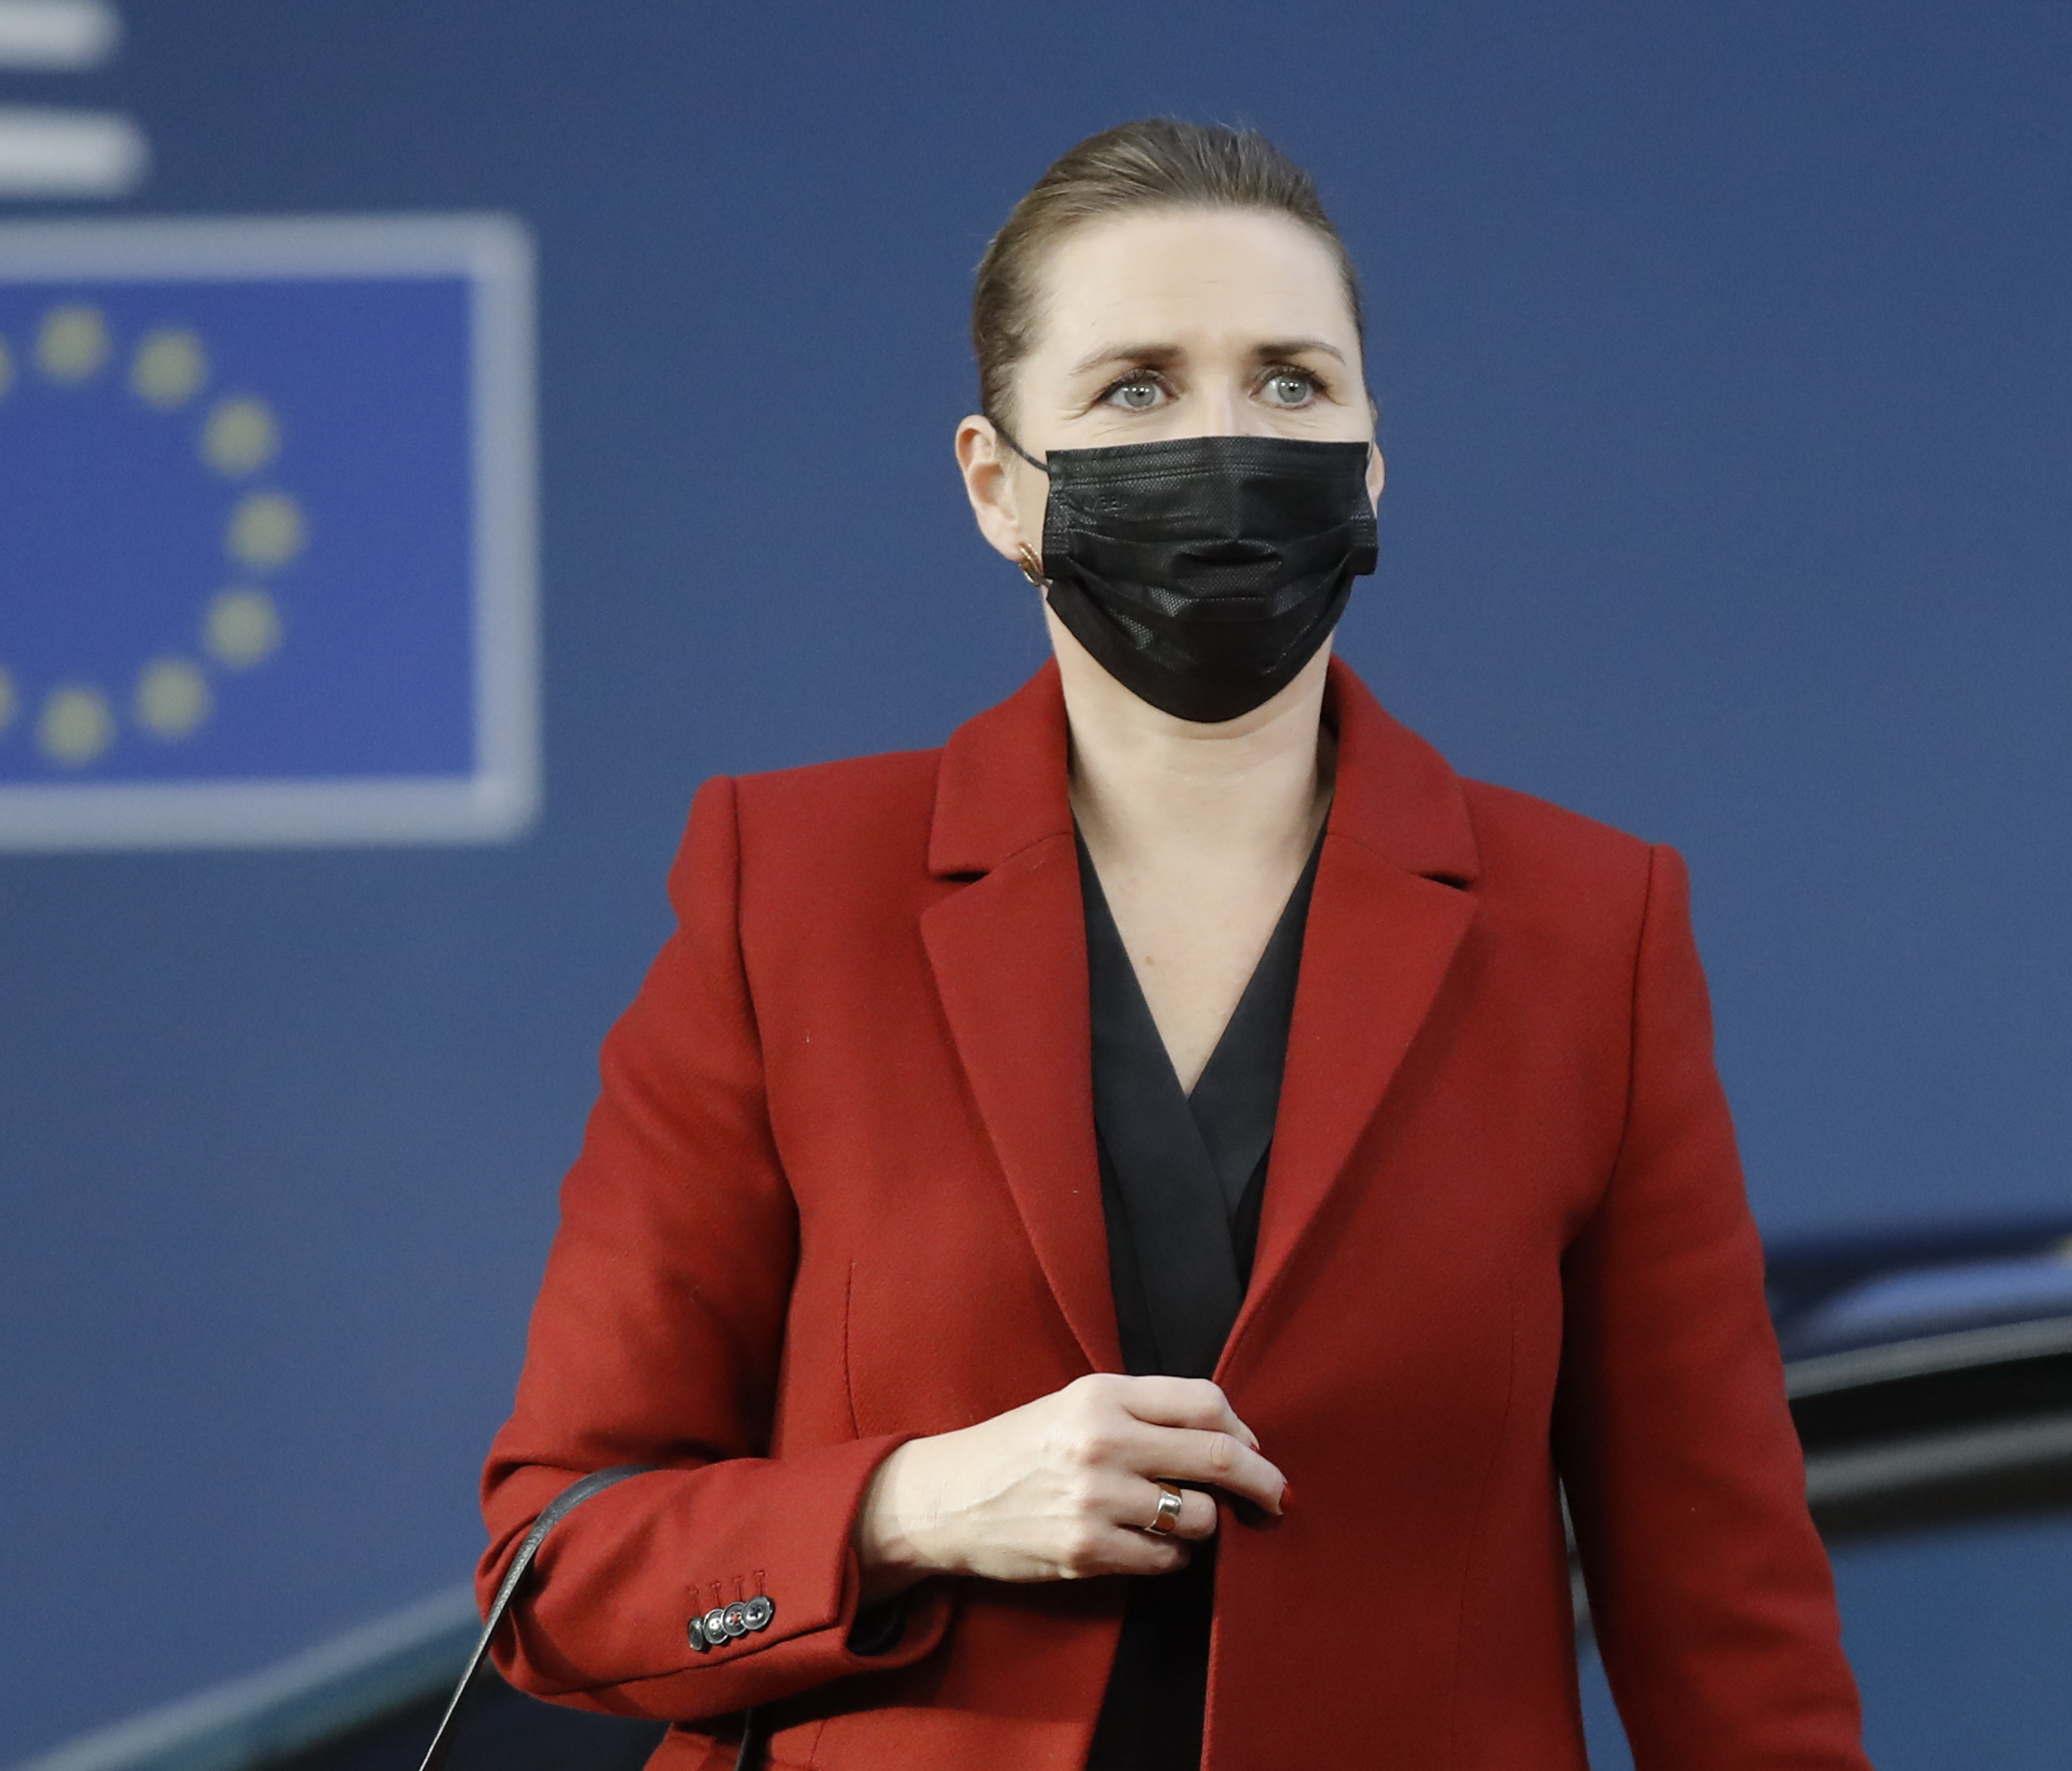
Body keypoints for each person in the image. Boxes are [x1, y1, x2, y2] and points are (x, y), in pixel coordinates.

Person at [477, 119, 1868, 1769]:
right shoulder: (785, 891)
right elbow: (554, 1571)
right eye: (1136, 389)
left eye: (1288, 381)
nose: (1224, 441)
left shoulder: (1587, 927)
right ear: (996, 486)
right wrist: (909, 1503)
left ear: (1369, 462)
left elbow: (1726, 1624)